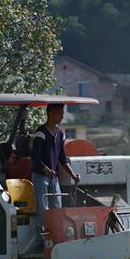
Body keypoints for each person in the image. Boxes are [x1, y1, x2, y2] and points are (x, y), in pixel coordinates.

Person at [30, 103, 80, 248]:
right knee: (43, 210)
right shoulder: (41, 133)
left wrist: (73, 174)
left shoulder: (60, 134)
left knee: (57, 209)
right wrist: (46, 170)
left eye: (62, 113)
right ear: (50, 113)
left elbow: (62, 158)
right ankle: (42, 242)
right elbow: (35, 157)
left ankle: (57, 239)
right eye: (59, 113)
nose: (62, 116)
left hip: (53, 178)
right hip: (41, 178)